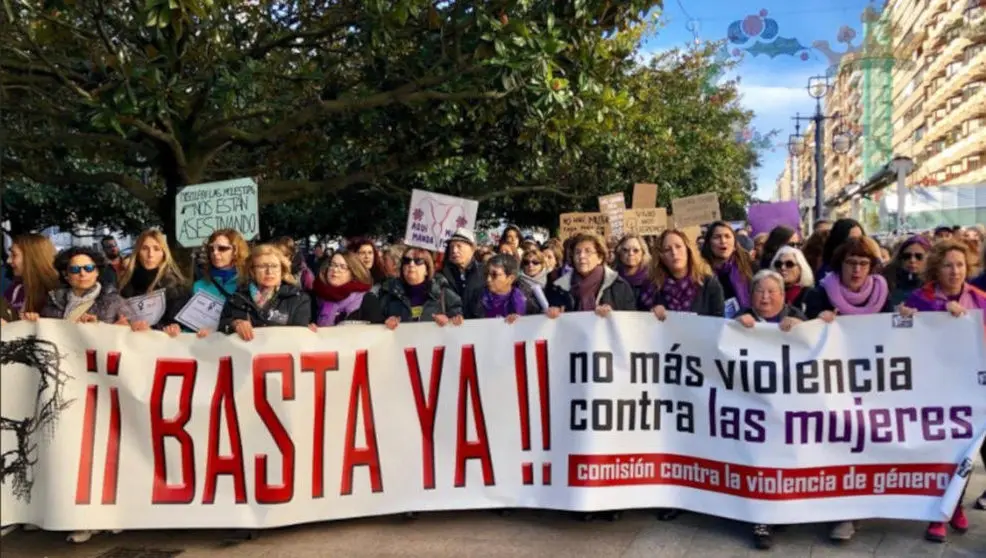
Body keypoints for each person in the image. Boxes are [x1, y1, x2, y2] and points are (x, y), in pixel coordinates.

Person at [897, 240, 986, 542]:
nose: (955, 271)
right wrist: (905, 316)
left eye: (960, 265)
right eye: (948, 264)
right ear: (937, 267)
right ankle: (939, 511)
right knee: (939, 451)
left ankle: (953, 507)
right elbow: (901, 334)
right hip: (931, 389)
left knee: (964, 452)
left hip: (969, 390)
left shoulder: (980, 300)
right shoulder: (919, 298)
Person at [735, 269, 807, 550]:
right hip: (752, 408)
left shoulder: (797, 318)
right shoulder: (739, 319)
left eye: (771, 292)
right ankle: (760, 519)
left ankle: (782, 509)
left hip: (788, 409)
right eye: (759, 291)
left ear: (782, 295)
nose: (765, 297)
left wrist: (807, 326)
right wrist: (736, 326)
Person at [218, 244, 311, 340]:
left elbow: (300, 338)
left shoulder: (298, 299)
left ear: (282, 270)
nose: (269, 272)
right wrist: (234, 324)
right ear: (252, 271)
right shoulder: (236, 299)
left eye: (274, 266)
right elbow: (221, 328)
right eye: (262, 266)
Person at [25, 246, 128, 326]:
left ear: (97, 272)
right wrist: (34, 321)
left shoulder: (115, 302)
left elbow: (131, 335)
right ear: (66, 275)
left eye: (88, 268)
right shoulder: (53, 301)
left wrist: (105, 328)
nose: (82, 274)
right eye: (75, 269)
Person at [544, 232, 636, 317]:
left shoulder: (619, 286)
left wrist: (612, 315)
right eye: (577, 252)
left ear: (600, 257)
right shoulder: (558, 288)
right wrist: (552, 312)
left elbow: (630, 321)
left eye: (588, 251)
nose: (581, 256)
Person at [117, 230, 189, 337]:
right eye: (145, 248)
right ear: (138, 252)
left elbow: (178, 324)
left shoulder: (176, 286)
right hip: (131, 346)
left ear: (164, 253)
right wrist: (122, 323)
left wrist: (155, 330)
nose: (150, 254)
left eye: (156, 249)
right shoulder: (125, 283)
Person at [640, 229, 725, 320]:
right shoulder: (652, 287)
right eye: (667, 249)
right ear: (661, 256)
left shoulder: (709, 284)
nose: (674, 253)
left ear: (688, 250)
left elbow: (719, 322)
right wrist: (651, 315)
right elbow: (641, 323)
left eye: (678, 246)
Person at [377, 248, 464, 329]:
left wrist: (449, 319)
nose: (411, 264)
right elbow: (376, 322)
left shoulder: (442, 292)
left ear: (427, 269)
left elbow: (460, 316)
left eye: (418, 261)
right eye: (407, 261)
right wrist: (386, 322)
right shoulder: (389, 293)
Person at [192, 229, 250, 337]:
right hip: (205, 346)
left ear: (236, 251)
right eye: (211, 248)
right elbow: (189, 326)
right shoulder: (198, 285)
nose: (215, 253)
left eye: (222, 248)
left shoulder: (247, 284)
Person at [309, 251, 381, 327]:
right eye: (333, 265)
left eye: (343, 267)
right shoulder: (313, 297)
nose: (335, 270)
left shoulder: (367, 299)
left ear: (353, 273)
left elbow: (378, 333)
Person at [700, 221, 755, 318]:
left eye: (727, 236)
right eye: (717, 237)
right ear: (708, 243)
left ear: (734, 243)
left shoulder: (750, 266)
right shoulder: (700, 272)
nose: (723, 241)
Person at [3, 234, 59, 317]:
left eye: (14, 255)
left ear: (32, 258)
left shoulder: (59, 293)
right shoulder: (15, 289)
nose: (8, 261)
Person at [469, 254, 528, 322]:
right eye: (486, 274)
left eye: (494, 275)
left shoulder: (528, 300)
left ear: (511, 278)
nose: (488, 279)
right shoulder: (476, 297)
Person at [440, 229, 485, 316]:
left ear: (472, 248)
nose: (454, 250)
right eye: (451, 247)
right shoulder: (441, 275)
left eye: (459, 246)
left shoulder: (485, 272)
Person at [883, 235, 931, 306]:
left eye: (919, 256)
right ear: (900, 258)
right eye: (907, 256)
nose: (912, 260)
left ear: (929, 258)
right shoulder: (887, 279)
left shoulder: (937, 282)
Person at [769, 245, 814, 313]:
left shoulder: (811, 295)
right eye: (778, 264)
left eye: (789, 264)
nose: (783, 268)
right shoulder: (768, 293)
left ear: (800, 268)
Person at [613, 233, 651, 307]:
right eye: (625, 250)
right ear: (619, 253)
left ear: (643, 253)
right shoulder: (611, 279)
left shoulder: (652, 280)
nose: (630, 253)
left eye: (636, 250)